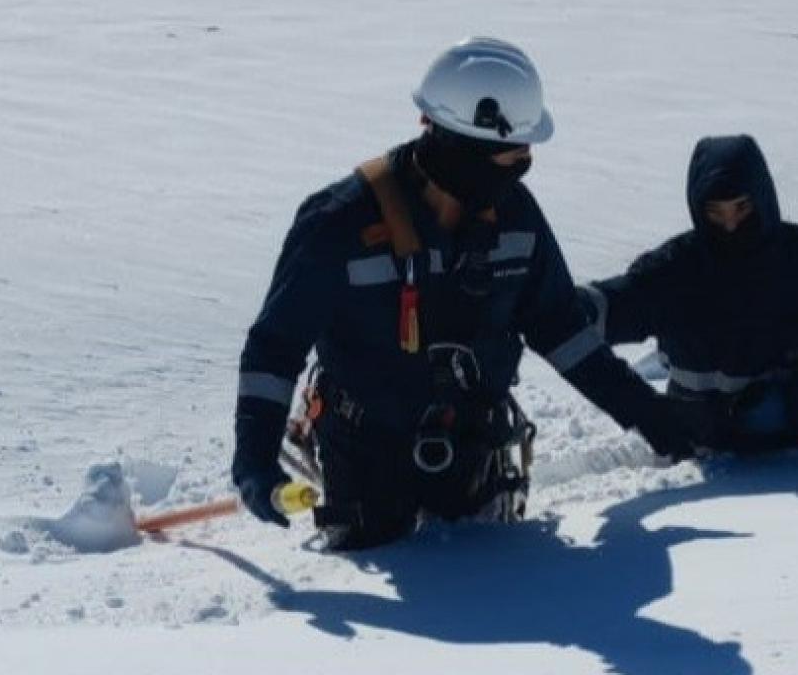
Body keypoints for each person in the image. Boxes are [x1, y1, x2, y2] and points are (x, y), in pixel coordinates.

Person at [231, 37, 701, 550]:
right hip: (367, 449)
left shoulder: (516, 218)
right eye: (512, 152)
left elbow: (562, 328)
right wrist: (255, 457)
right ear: (460, 148)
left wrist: (647, 413)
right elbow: (274, 348)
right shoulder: (339, 224)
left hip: (475, 442)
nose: (525, 162)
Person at [577, 134, 798, 454]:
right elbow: (623, 303)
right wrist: (566, 305)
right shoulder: (676, 269)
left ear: (762, 197)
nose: (730, 225)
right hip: (711, 455)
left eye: (741, 208)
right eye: (716, 212)